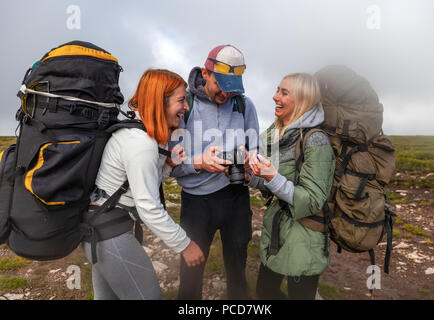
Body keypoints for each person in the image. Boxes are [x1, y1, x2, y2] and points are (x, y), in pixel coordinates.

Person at [82, 69, 205, 300]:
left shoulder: (136, 133)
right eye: (181, 100)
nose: (186, 107)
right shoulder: (141, 144)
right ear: (160, 102)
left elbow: (137, 185)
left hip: (99, 231)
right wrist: (185, 245)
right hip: (111, 236)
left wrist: (167, 165)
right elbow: (148, 206)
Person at [170, 45, 260, 300]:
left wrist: (250, 168)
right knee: (190, 273)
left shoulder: (244, 105)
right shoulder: (184, 104)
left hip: (236, 197)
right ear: (205, 73)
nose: (227, 92)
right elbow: (171, 165)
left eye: (233, 86)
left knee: (237, 269)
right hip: (197, 202)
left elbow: (257, 150)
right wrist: (199, 163)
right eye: (221, 84)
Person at [246, 72, 335, 300]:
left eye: (284, 93)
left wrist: (272, 176)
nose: (275, 97)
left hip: (305, 236)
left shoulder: (316, 140)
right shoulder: (275, 131)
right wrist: (252, 176)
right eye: (277, 90)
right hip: (278, 229)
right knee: (265, 292)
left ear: (303, 99)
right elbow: (269, 185)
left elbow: (313, 200)